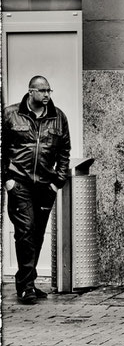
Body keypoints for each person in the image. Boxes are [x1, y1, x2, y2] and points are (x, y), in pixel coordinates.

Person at [2, 76, 71, 304]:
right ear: (30, 91)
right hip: (19, 182)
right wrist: (7, 179)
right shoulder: (11, 114)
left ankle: (28, 281)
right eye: (42, 91)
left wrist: (57, 181)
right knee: (26, 229)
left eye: (49, 91)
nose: (47, 95)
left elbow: (64, 151)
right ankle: (25, 287)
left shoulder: (58, 117)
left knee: (38, 233)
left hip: (45, 184)